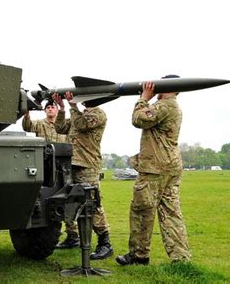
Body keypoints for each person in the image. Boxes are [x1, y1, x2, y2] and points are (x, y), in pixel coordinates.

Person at [116, 75, 191, 266]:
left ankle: (138, 255)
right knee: (171, 213)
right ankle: (181, 259)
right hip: (170, 166)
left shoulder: (165, 105)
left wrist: (143, 98)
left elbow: (138, 119)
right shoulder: (173, 106)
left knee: (142, 210)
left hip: (155, 168)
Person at [52, 92, 113, 260]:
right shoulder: (80, 114)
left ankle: (105, 243)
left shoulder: (97, 114)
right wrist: (63, 109)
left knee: (92, 204)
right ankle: (73, 237)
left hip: (88, 165)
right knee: (69, 200)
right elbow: (60, 128)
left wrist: (72, 107)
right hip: (72, 164)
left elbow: (81, 125)